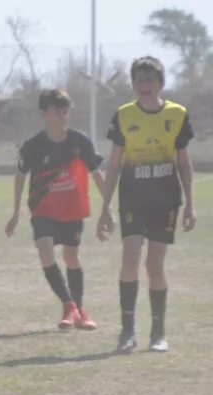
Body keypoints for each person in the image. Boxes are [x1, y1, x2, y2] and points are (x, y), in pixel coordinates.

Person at [96, 56, 197, 353]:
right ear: (133, 84)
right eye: (139, 80)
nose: (144, 86)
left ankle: (158, 332)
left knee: (154, 264)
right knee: (129, 258)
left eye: (150, 80)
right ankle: (127, 331)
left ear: (161, 83)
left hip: (165, 199)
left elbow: (184, 162)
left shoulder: (177, 115)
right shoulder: (124, 115)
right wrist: (104, 208)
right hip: (133, 199)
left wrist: (191, 204)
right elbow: (114, 164)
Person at [5, 88, 106, 331]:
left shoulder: (80, 142)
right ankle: (68, 305)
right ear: (43, 114)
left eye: (64, 111)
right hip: (43, 209)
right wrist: (16, 212)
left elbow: (96, 173)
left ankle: (80, 310)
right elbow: (20, 176)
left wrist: (108, 207)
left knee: (71, 257)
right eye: (56, 112)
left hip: (71, 209)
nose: (61, 116)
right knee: (46, 251)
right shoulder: (33, 146)